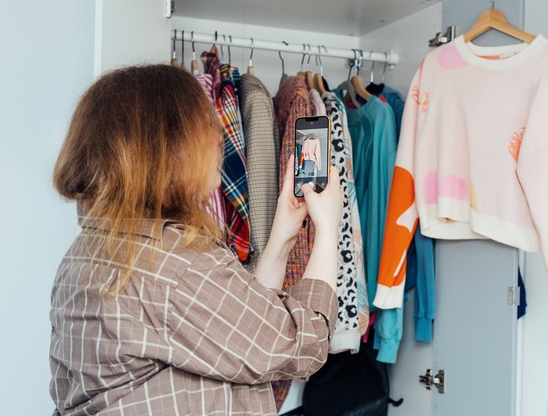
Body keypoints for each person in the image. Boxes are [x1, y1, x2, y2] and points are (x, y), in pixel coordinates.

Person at [49, 64, 342, 415]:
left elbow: (239, 331)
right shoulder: (174, 261)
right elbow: (301, 344)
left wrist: (283, 231)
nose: (217, 143)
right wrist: (327, 229)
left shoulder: (86, 252)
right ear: (169, 150)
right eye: (206, 132)